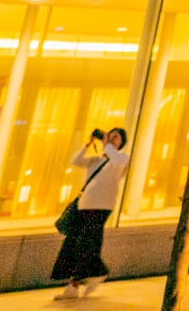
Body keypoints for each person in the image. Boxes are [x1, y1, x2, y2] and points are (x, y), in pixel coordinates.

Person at [52, 127, 129, 299]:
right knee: (75, 244)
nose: (111, 140)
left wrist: (107, 143)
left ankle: (95, 273)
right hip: (84, 205)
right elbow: (76, 160)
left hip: (102, 206)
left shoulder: (122, 159)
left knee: (87, 243)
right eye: (110, 136)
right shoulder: (97, 160)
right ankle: (77, 284)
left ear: (122, 142)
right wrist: (89, 144)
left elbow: (115, 160)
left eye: (116, 138)